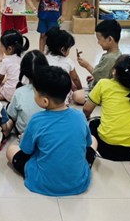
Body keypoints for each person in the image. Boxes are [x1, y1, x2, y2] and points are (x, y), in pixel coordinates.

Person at [6, 66, 97, 196]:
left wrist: (25, 139)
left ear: (45, 101)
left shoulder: (36, 120)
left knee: (11, 150)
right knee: (93, 140)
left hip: (42, 182)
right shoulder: (79, 116)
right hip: (78, 182)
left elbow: (26, 150)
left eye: (35, 93)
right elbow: (87, 143)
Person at [82, 54, 130, 162]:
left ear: (114, 71)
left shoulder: (103, 84)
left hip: (106, 149)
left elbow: (86, 110)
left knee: (93, 123)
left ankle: (92, 150)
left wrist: (87, 117)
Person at [76, 19, 122, 96]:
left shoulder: (110, 58)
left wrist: (87, 66)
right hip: (103, 87)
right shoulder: (116, 54)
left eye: (99, 39)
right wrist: (94, 78)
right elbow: (106, 75)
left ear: (110, 39)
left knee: (76, 95)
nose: (98, 42)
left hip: (102, 92)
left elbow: (102, 78)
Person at [7, 50, 49, 135]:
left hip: (23, 132)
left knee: (10, 108)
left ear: (24, 71)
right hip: (47, 131)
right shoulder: (53, 88)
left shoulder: (19, 92)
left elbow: (12, 115)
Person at [44, 28, 83, 98]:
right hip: (62, 97)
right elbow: (75, 79)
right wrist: (80, 90)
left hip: (46, 95)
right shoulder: (68, 62)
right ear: (63, 50)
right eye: (69, 49)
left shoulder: (44, 59)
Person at [0, 29, 30, 101]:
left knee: (0, 86)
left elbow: (0, 79)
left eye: (2, 46)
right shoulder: (26, 56)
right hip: (24, 92)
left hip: (10, 92)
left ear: (9, 49)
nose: (1, 48)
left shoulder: (6, 61)